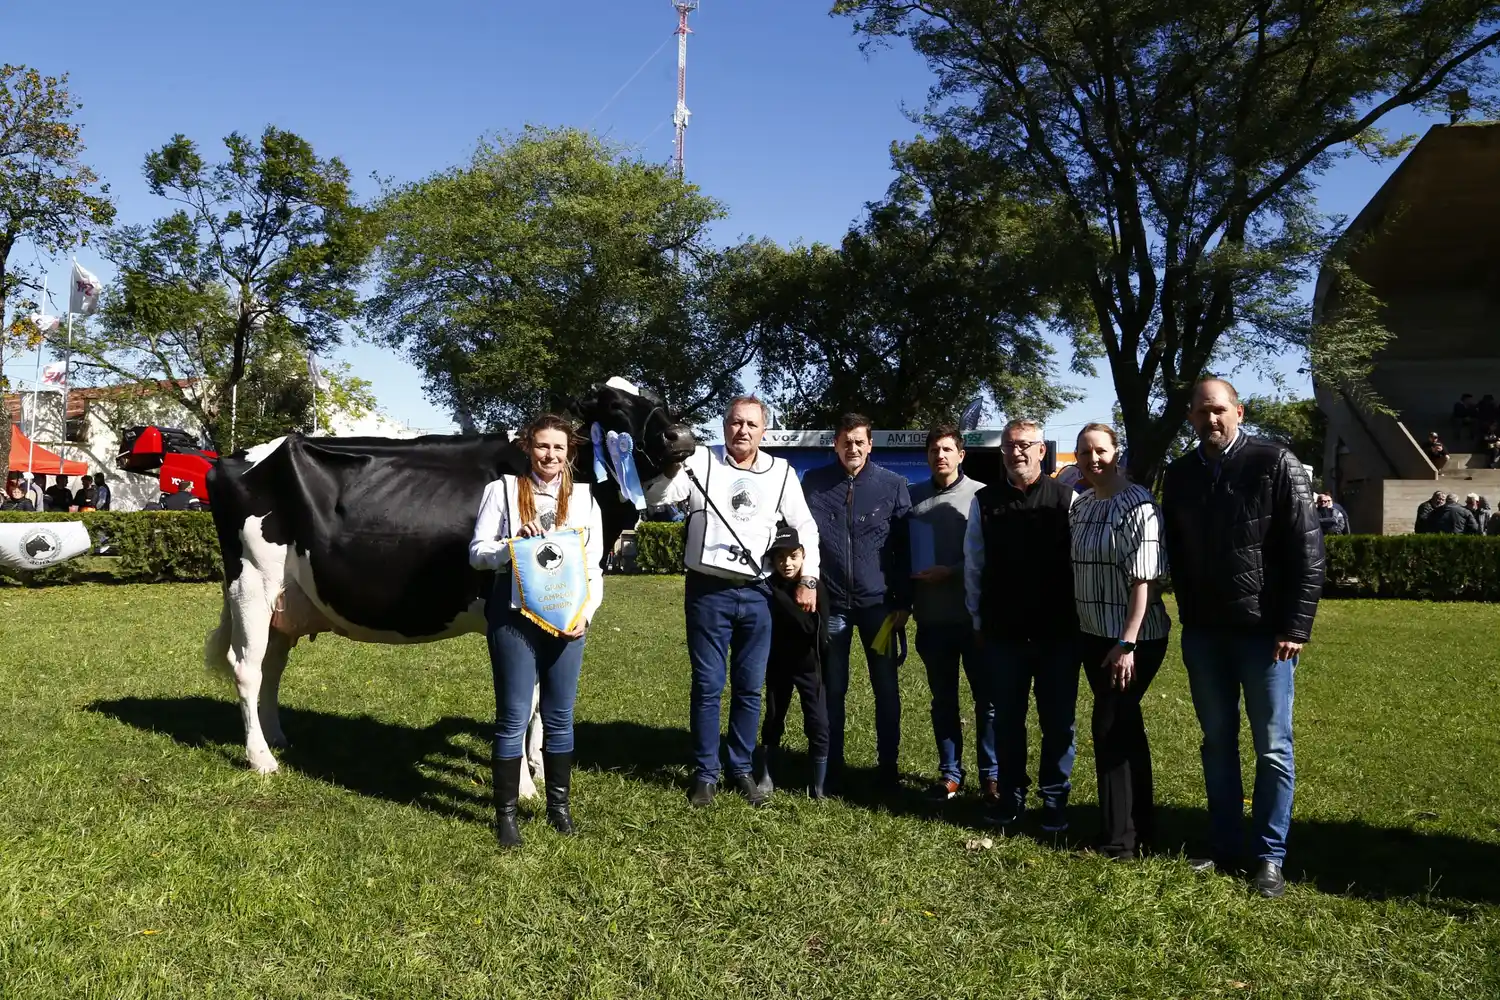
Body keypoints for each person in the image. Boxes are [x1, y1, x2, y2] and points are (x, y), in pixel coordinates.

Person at [1163, 378, 1324, 899]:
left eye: (1219, 409)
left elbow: (1307, 551)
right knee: (1217, 743)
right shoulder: (1180, 474)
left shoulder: (1274, 462)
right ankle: (1225, 842)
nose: (1210, 419)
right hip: (1205, 634)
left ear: (1239, 411)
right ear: (1190, 417)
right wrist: (1189, 612)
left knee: (1273, 748)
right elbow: (1177, 552)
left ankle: (1269, 856)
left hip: (1265, 636)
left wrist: (1295, 626)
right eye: (1200, 411)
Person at [644, 396, 820, 809]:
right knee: (708, 686)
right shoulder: (701, 460)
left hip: (757, 592)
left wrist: (809, 578)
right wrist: (670, 464)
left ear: (763, 431)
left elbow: (805, 526)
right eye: (736, 422)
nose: (743, 430)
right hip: (708, 591)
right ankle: (706, 773)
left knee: (749, 688)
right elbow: (657, 498)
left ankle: (740, 767)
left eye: (752, 424)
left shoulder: (781, 472)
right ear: (725, 426)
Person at [468, 413, 603, 847]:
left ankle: (558, 808)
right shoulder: (503, 491)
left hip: (567, 619)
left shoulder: (584, 499)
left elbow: (594, 567)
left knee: (560, 716)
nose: (550, 455)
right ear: (528, 447)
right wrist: (511, 546)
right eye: (542, 445)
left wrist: (588, 613)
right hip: (513, 617)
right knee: (513, 717)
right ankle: (506, 815)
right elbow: (476, 553)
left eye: (558, 447)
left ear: (569, 452)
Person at [964, 419, 1079, 831]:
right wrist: (977, 618)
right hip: (1003, 632)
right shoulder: (984, 501)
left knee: (1058, 722)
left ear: (1042, 451)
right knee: (1007, 721)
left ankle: (1054, 800)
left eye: (1025, 445)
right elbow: (974, 563)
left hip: (1058, 633)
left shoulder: (1067, 499)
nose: (1017, 452)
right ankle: (1011, 798)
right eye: (1010, 445)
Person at [1069, 423, 1171, 860]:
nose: (1093, 459)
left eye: (1101, 451)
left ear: (1116, 453)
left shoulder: (1139, 504)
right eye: (1085, 452)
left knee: (1109, 727)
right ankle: (1140, 829)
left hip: (1133, 639)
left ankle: (1118, 842)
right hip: (1093, 634)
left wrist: (1127, 644)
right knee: (1125, 727)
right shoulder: (1082, 504)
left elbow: (1143, 580)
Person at [802, 413, 912, 790]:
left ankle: (888, 767)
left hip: (879, 608)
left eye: (859, 441)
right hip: (832, 606)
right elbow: (802, 538)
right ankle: (832, 763)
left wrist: (904, 602)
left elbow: (904, 549)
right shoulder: (814, 483)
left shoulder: (893, 485)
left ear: (870, 445)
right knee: (832, 687)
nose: (853, 448)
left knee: (886, 687)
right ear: (835, 444)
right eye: (846, 441)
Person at [907, 423, 990, 804]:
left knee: (987, 702)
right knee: (943, 702)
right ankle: (950, 774)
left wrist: (951, 572)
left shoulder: (980, 496)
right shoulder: (912, 497)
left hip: (973, 620)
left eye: (946, 449)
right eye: (933, 450)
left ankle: (991, 776)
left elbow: (987, 557)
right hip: (931, 618)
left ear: (961, 455)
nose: (940, 456)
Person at [757, 523, 831, 799]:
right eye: (780, 557)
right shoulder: (768, 586)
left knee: (818, 721)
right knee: (774, 716)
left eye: (793, 556)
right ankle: (766, 774)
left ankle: (818, 785)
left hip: (809, 666)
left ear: (803, 556)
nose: (787, 563)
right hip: (778, 663)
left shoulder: (813, 588)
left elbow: (815, 628)